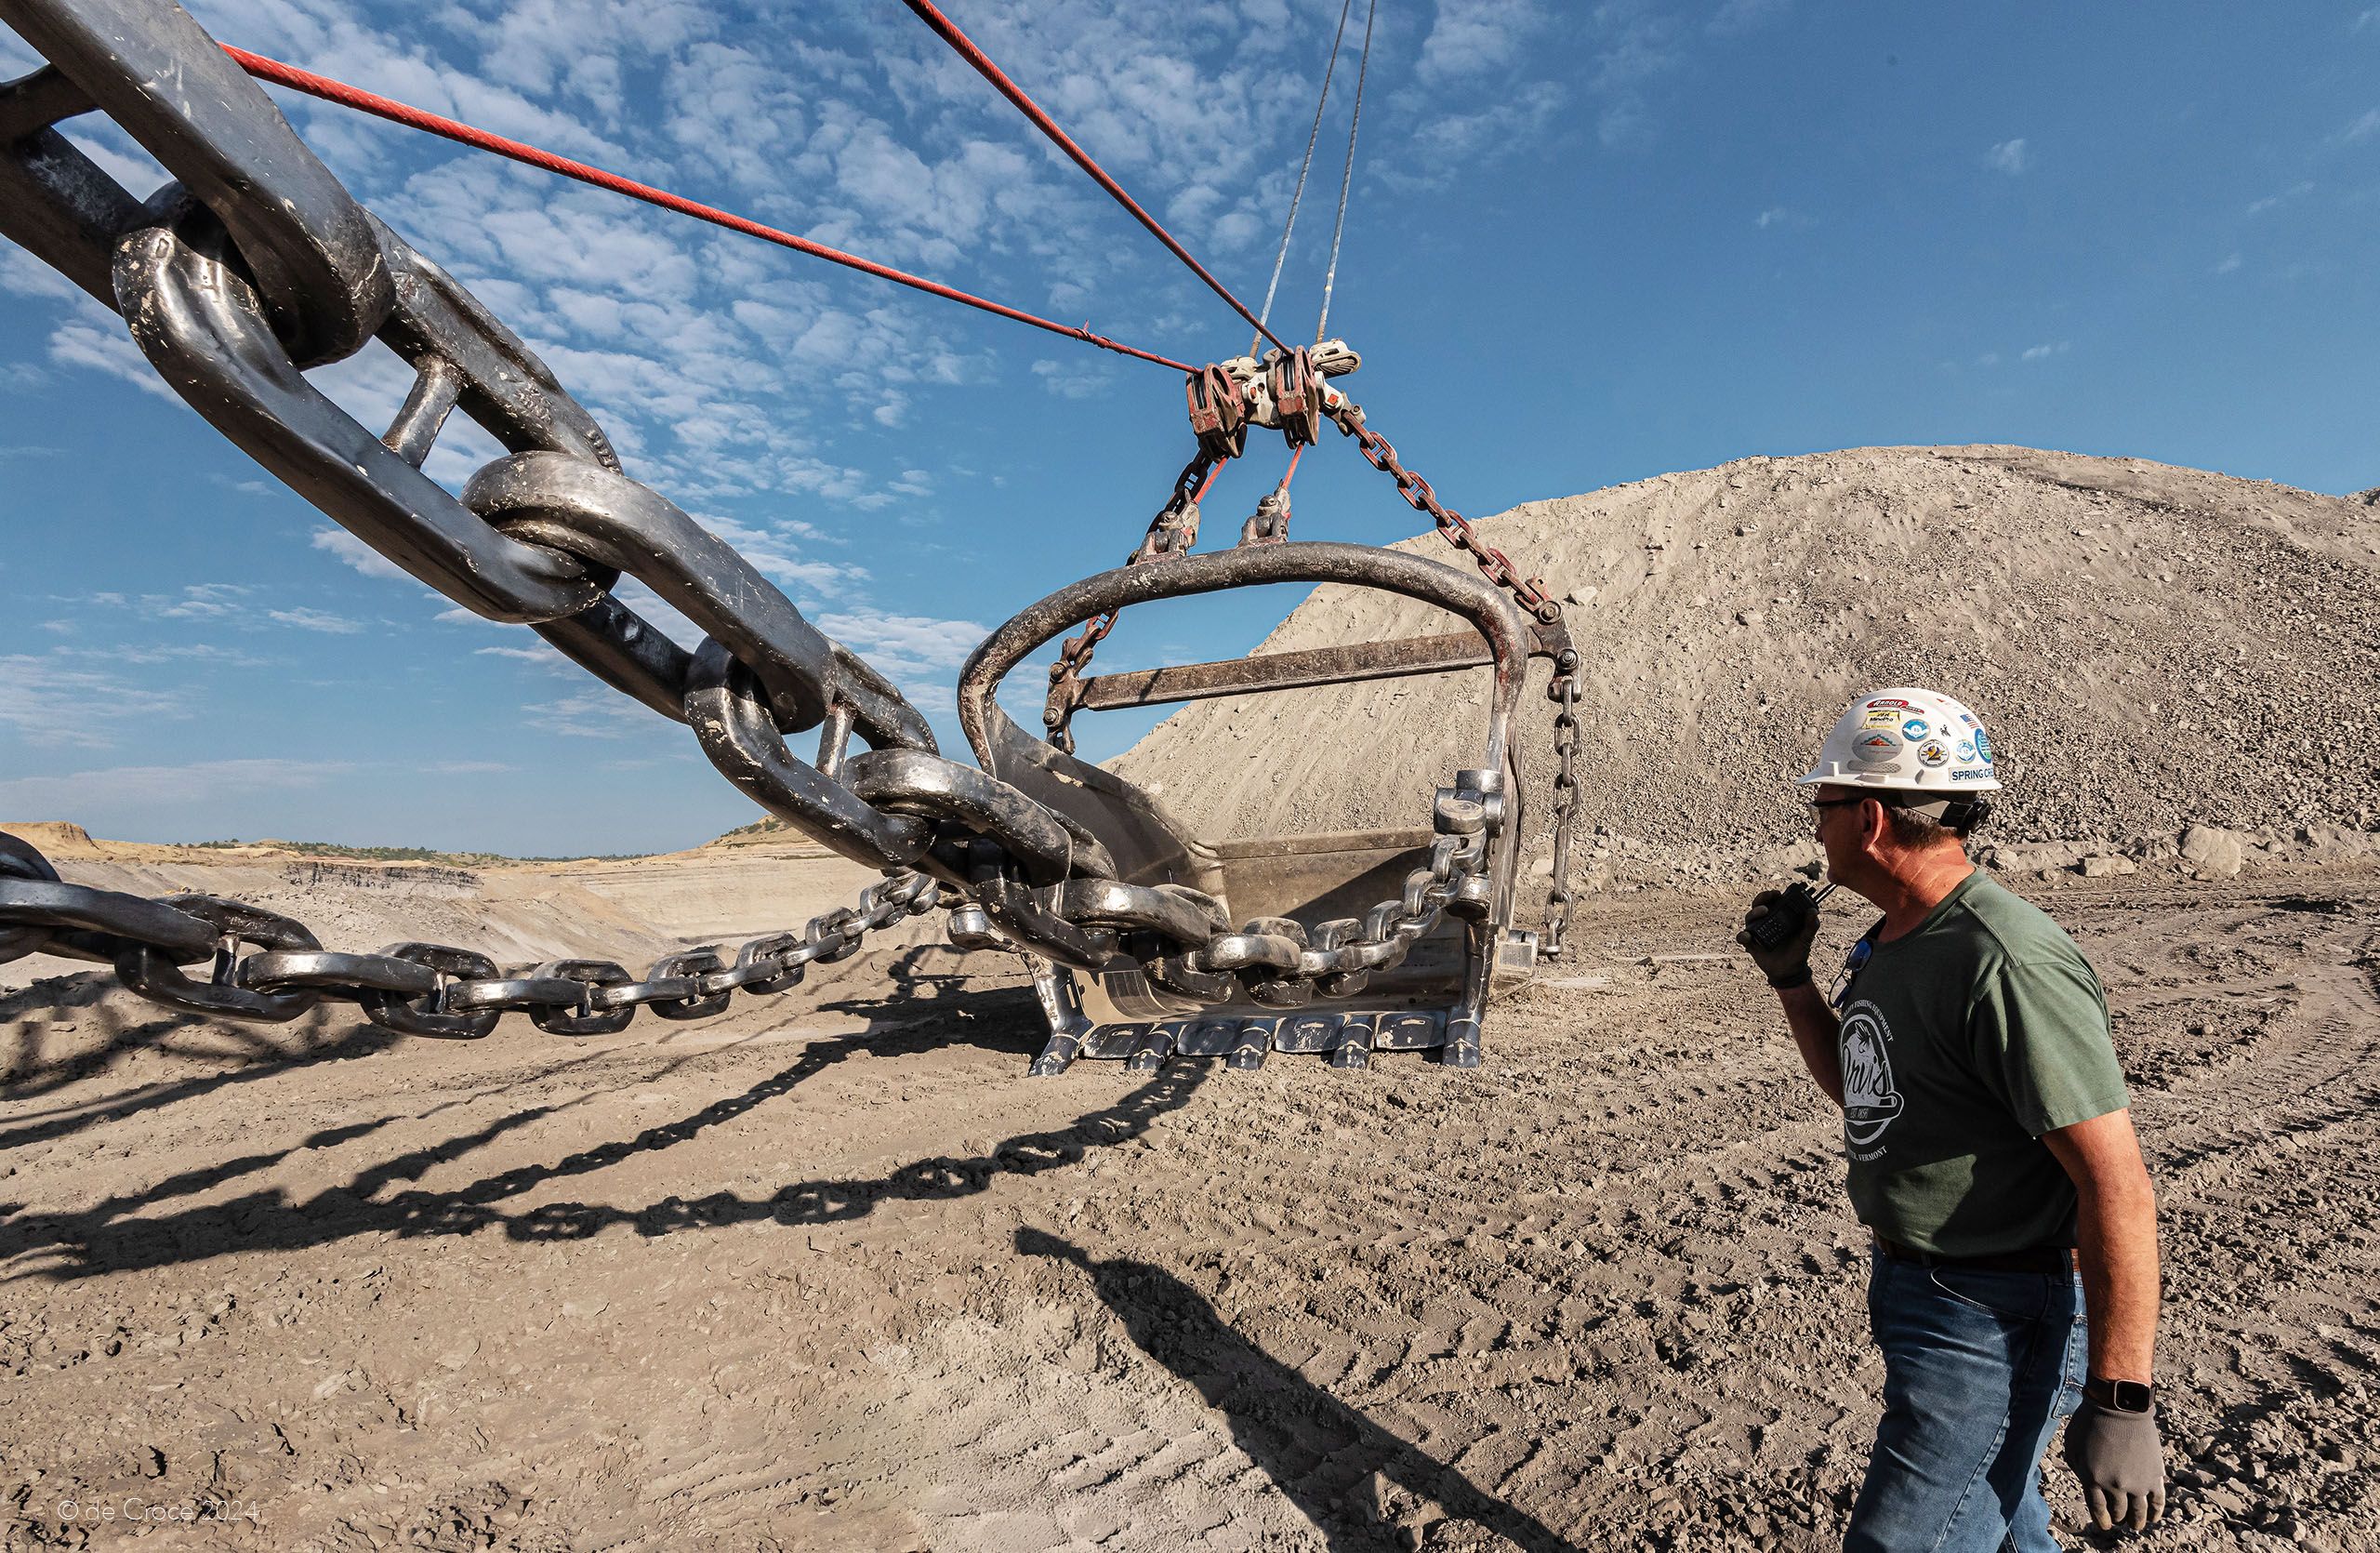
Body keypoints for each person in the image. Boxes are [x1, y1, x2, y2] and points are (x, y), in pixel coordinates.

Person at [1734, 687, 2165, 1549]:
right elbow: (1867, 1092)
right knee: (2003, 1529)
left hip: (1994, 1315)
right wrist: (1792, 978)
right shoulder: (1898, 934)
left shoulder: (2004, 959)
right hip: (1921, 1287)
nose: (1814, 830)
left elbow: (2116, 1182)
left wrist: (2121, 1399)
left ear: (1867, 817)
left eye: (1821, 808)